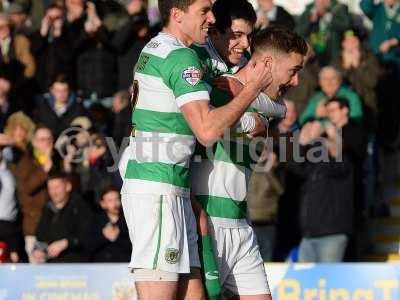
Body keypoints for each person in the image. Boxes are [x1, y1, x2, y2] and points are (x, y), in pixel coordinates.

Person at [120, 0, 272, 299]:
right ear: (177, 15)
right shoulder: (180, 56)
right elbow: (207, 130)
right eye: (204, 11)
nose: (212, 18)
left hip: (171, 188)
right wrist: (253, 90)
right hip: (157, 191)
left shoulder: (158, 48)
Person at [191, 26, 307, 299]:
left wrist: (258, 117)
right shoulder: (218, 92)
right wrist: (253, 120)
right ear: (267, 63)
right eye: (293, 70)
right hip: (209, 225)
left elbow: (276, 111)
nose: (296, 82)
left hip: (241, 224)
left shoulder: (264, 103)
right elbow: (213, 128)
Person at [32, 172, 93, 263]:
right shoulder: (47, 209)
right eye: (50, 188)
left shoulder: (80, 207)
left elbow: (88, 235)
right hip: (52, 265)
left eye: (57, 187)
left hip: (77, 264)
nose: (53, 192)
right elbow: (41, 236)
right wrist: (38, 250)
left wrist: (66, 243)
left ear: (68, 186)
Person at [85, 186, 131, 262]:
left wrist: (117, 237)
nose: (115, 204)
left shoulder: (128, 220)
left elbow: (135, 246)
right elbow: (88, 246)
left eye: (117, 199)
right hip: (100, 267)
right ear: (103, 204)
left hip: (123, 266)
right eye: (110, 201)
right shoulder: (95, 221)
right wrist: (104, 237)